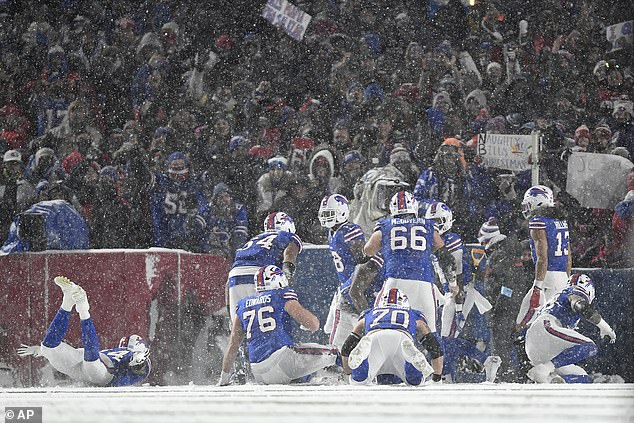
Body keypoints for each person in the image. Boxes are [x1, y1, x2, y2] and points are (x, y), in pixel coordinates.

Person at [17, 276, 151, 387]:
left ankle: (68, 303)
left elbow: (137, 370)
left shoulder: (135, 356)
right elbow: (131, 375)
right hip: (100, 372)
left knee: (48, 348)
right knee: (89, 361)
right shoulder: (133, 357)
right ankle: (80, 307)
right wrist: (138, 364)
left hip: (90, 365)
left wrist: (40, 350)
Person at [219, 265, 338, 385]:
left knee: (300, 355)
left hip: (257, 371)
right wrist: (306, 321)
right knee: (334, 352)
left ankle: (303, 379)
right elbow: (314, 325)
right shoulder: (281, 295)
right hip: (282, 361)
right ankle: (348, 376)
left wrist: (224, 378)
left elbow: (233, 344)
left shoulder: (243, 304)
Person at [425, 201, 500, 383]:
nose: (434, 225)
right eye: (431, 221)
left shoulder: (452, 240)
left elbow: (457, 273)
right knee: (445, 339)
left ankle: (449, 374)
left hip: (460, 291)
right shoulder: (434, 241)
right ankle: (479, 364)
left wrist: (458, 304)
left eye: (438, 221)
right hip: (448, 293)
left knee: (446, 339)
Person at [363, 190, 457, 337]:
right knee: (431, 336)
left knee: (378, 329)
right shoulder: (427, 225)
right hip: (423, 284)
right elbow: (446, 257)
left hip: (395, 283)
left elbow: (368, 249)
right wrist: (452, 284)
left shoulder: (386, 224)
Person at [525, 273, 616, 383]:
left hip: (535, 345)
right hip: (546, 327)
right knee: (589, 347)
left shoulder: (559, 296)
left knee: (583, 378)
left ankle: (550, 379)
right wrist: (605, 327)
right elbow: (582, 306)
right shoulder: (573, 292)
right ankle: (545, 369)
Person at [341, 288, 441, 385]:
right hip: (402, 338)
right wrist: (437, 377)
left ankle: (363, 360)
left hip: (374, 337)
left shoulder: (370, 313)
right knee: (415, 382)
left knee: (360, 381)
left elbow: (346, 347)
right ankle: (410, 361)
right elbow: (435, 348)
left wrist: (349, 373)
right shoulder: (413, 314)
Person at [226, 211, 302, 322]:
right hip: (261, 275)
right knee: (265, 325)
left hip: (234, 277)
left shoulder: (253, 240)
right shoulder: (287, 236)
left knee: (240, 327)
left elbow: (227, 284)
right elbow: (290, 253)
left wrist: (230, 312)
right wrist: (287, 276)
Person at [516, 185, 571, 329]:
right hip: (562, 279)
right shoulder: (561, 221)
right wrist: (566, 282)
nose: (526, 208)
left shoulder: (538, 221)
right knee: (553, 325)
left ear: (538, 201)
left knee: (524, 324)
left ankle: (524, 350)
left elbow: (542, 258)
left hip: (546, 278)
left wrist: (537, 287)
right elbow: (568, 257)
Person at [319, 194, 370, 349]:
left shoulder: (350, 230)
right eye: (324, 214)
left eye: (329, 214)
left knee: (361, 325)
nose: (326, 218)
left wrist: (353, 284)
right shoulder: (333, 231)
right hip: (346, 285)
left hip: (355, 285)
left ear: (342, 212)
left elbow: (362, 259)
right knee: (336, 328)